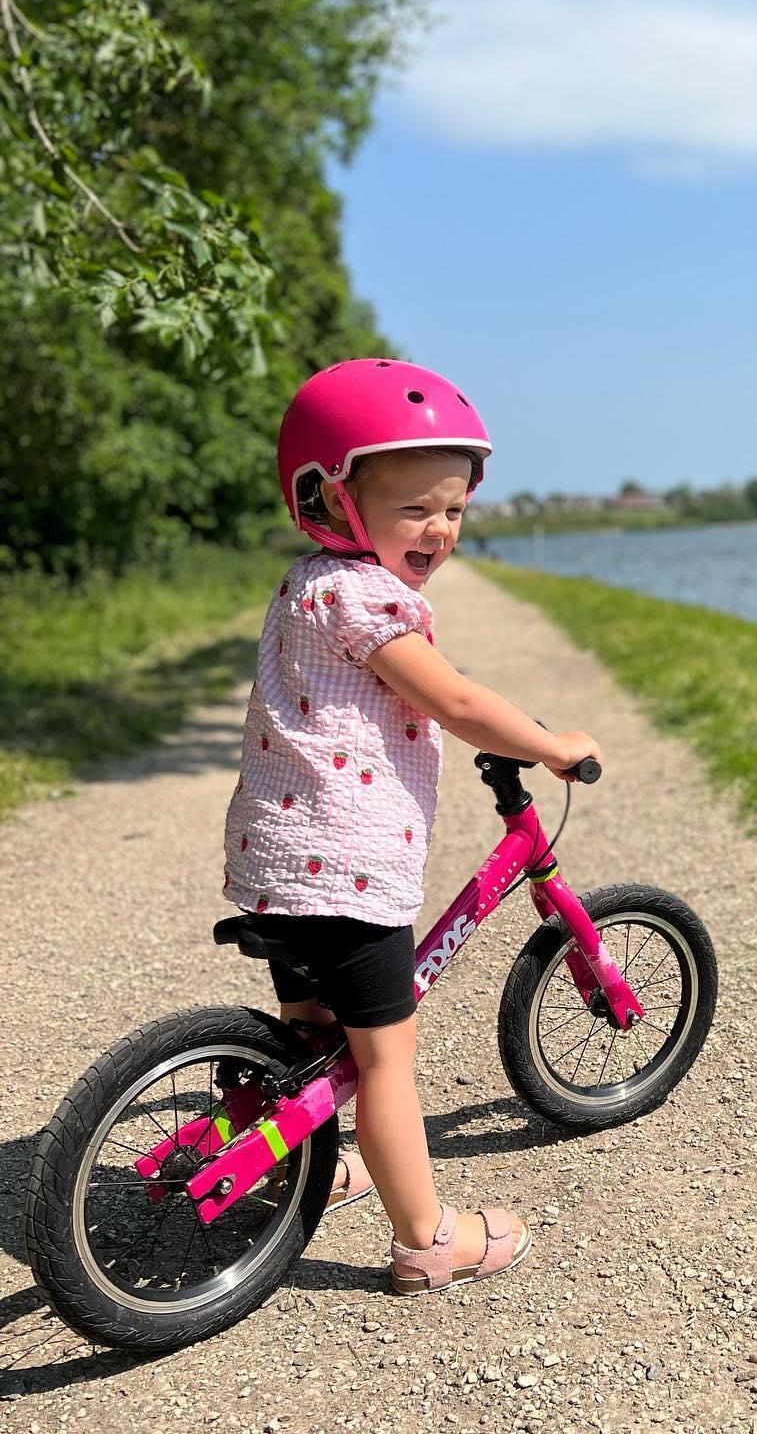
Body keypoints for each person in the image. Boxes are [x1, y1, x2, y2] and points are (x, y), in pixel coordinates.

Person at [221, 358, 602, 1294]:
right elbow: (456, 699)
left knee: (309, 1028)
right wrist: (550, 743)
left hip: (279, 860)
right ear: (330, 499)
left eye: (455, 511)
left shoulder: (307, 586)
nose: (440, 530)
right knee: (385, 1059)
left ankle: (293, 1159)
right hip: (346, 872)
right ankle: (428, 1238)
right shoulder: (369, 598)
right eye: (414, 510)